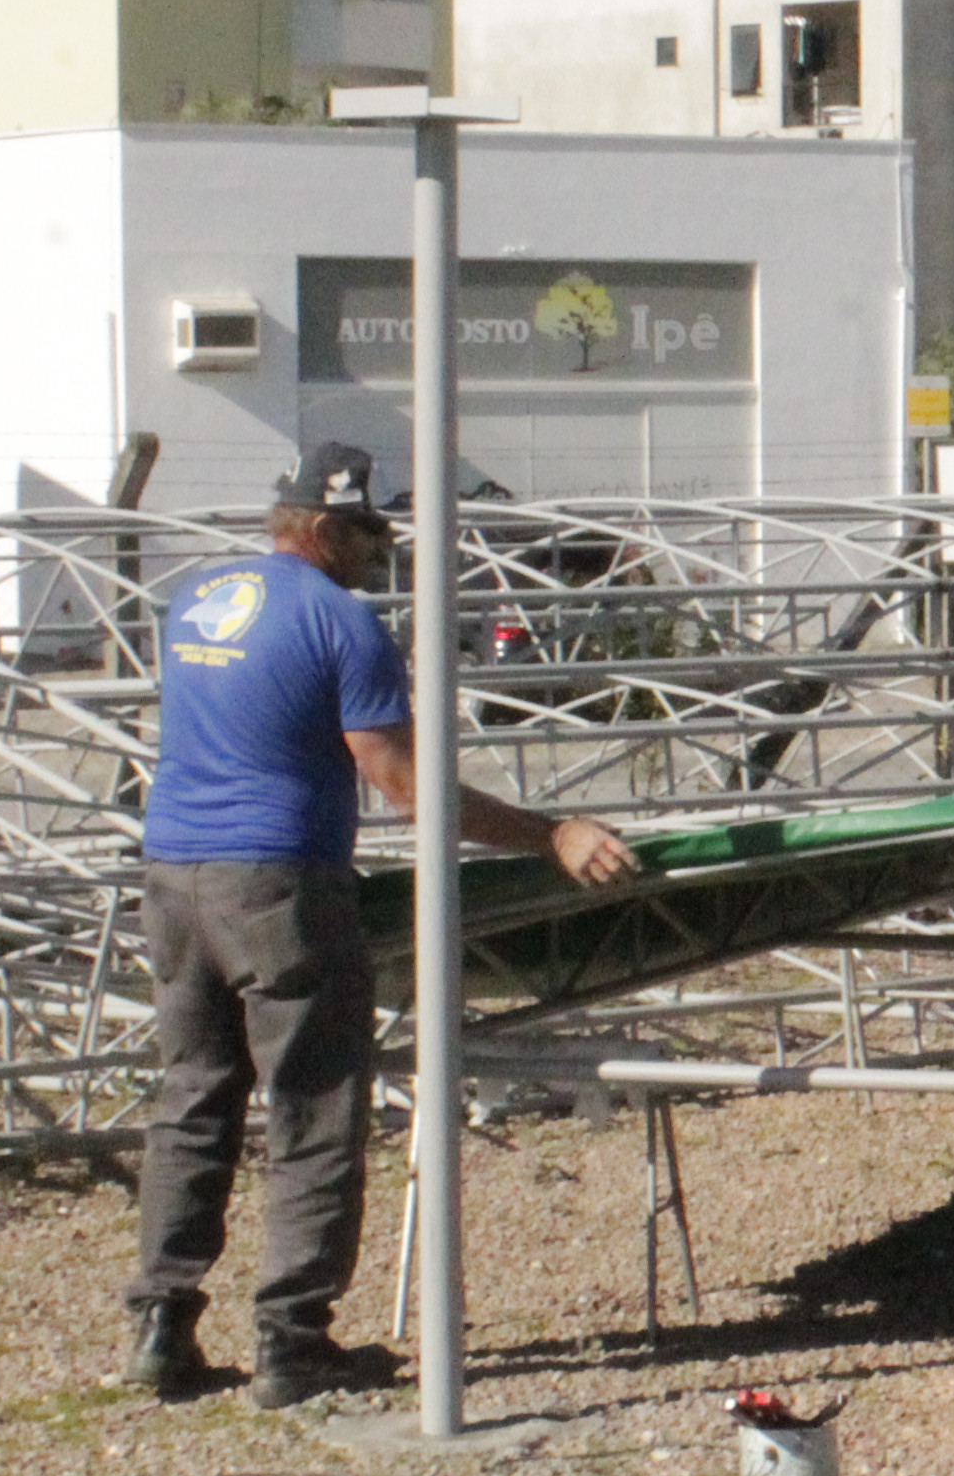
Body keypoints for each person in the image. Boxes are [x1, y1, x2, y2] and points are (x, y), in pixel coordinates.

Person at [122, 443, 639, 1409]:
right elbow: (402, 786)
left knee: (193, 1093)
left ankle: (161, 1319)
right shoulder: (340, 624)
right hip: (278, 879)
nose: (378, 550)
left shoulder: (194, 599)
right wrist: (547, 832)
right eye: (366, 532)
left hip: (174, 870)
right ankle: (292, 1337)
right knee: (315, 1103)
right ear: (320, 528)